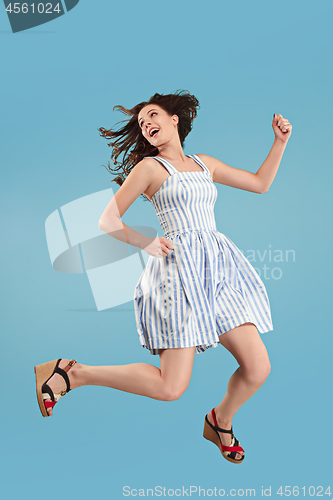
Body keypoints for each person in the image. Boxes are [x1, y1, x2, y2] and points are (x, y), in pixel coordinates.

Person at [34, 90, 292, 464]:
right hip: (177, 276)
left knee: (258, 367)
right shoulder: (150, 169)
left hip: (218, 271)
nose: (147, 125)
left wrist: (280, 142)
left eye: (153, 116)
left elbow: (260, 183)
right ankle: (74, 373)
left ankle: (220, 421)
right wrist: (147, 241)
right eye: (142, 123)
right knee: (170, 388)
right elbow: (107, 219)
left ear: (175, 119)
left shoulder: (205, 164)